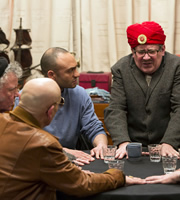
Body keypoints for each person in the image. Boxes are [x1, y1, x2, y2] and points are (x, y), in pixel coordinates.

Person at [0, 77, 145, 199]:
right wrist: (118, 176)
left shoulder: (2, 120)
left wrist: (69, 172)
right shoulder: (43, 143)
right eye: (59, 104)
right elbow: (82, 184)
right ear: (51, 110)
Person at [104, 21, 180, 159]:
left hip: (170, 147)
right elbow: (116, 109)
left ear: (162, 49)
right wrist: (123, 142)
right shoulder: (121, 68)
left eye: (151, 51)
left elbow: (179, 107)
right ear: (133, 52)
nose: (146, 57)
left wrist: (169, 142)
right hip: (133, 148)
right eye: (140, 52)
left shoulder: (176, 66)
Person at [40, 47, 108, 164]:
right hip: (41, 160)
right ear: (52, 74)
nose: (77, 74)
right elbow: (25, 140)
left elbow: (93, 127)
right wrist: (63, 151)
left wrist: (101, 145)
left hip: (73, 160)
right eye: (70, 71)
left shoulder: (79, 93)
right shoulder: (28, 96)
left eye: (76, 68)